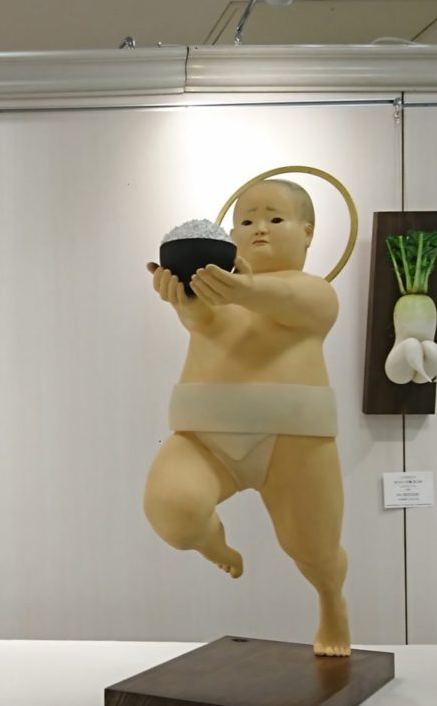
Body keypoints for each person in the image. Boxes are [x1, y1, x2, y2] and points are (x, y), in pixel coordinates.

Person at [142, 179, 351, 656]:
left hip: (297, 441)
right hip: (204, 435)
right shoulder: (224, 295)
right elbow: (203, 322)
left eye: (275, 219)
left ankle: (331, 601)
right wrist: (186, 302)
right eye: (247, 220)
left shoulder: (315, 292)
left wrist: (244, 288)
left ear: (308, 232)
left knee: (314, 550)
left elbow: (286, 303)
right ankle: (213, 543)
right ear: (231, 233)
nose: (260, 228)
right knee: (172, 509)